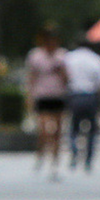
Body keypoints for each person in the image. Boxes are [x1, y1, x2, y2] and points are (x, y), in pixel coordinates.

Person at [26, 24, 69, 180]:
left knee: (57, 132)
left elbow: (67, 79)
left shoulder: (62, 56)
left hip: (58, 96)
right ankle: (41, 154)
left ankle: (55, 162)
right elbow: (31, 78)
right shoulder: (36, 56)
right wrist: (30, 98)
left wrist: (62, 72)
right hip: (42, 96)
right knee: (44, 130)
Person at [65, 36, 100, 171]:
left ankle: (74, 153)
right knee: (92, 131)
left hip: (75, 96)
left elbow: (64, 78)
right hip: (91, 97)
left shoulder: (69, 58)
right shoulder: (96, 59)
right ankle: (88, 159)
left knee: (73, 129)